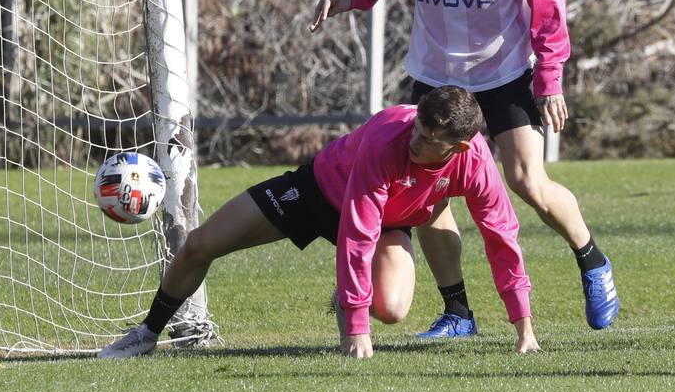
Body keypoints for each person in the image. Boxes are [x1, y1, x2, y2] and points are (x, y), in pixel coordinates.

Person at [309, 0, 617, 339]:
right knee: (428, 193)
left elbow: (547, 4)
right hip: (434, 71)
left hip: (502, 72)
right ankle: (458, 312)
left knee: (527, 179)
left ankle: (592, 260)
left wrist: (549, 80)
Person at [98, 86, 539, 358]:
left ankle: (353, 291)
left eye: (428, 141)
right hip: (317, 191)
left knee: (393, 309)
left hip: (388, 223)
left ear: (459, 148)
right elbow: (355, 234)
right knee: (200, 244)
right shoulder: (390, 135)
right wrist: (354, 330)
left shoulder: (475, 165)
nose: (415, 141)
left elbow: (501, 237)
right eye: (417, 129)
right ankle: (147, 334)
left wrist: (524, 327)